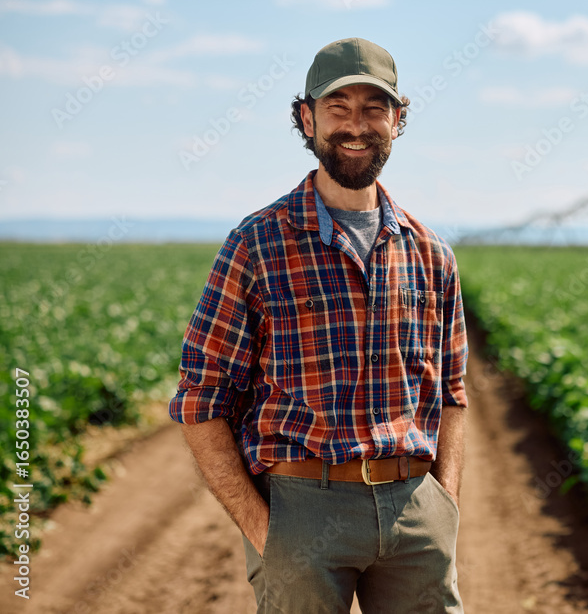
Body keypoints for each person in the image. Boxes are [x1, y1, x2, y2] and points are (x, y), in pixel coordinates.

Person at [168, 37, 468, 613]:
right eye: (337, 108)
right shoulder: (256, 244)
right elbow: (200, 400)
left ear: (398, 120)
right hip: (302, 505)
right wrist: (265, 530)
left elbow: (451, 393)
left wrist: (445, 505)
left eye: (374, 108)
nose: (356, 124)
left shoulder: (432, 254)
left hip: (413, 507)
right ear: (305, 119)